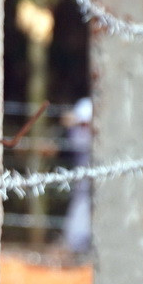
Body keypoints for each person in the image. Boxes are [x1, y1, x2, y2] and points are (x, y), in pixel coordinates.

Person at [61, 97, 93, 256]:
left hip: (95, 170)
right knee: (81, 204)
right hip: (83, 171)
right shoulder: (85, 106)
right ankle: (77, 246)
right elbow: (67, 119)